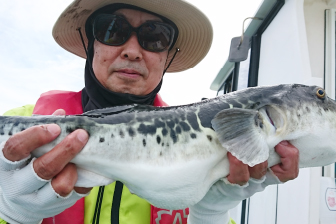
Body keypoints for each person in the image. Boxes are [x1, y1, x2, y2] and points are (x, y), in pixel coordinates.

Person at [0, 0, 299, 223]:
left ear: (167, 57)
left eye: (154, 37)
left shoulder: (220, 144)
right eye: (112, 30)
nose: (132, 50)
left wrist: (211, 214)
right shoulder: (18, 127)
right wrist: (9, 215)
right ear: (91, 44)